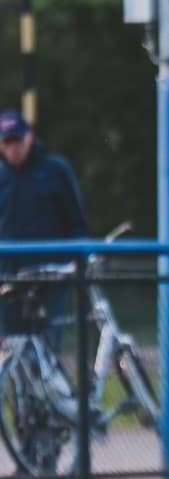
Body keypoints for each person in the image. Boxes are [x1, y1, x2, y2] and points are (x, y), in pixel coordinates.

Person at [0, 109, 89, 348]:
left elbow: (77, 223)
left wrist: (73, 263)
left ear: (29, 137)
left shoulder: (55, 170)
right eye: (8, 142)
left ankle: (49, 385)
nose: (14, 148)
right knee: (15, 351)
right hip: (10, 279)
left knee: (48, 345)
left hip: (50, 277)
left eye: (18, 140)